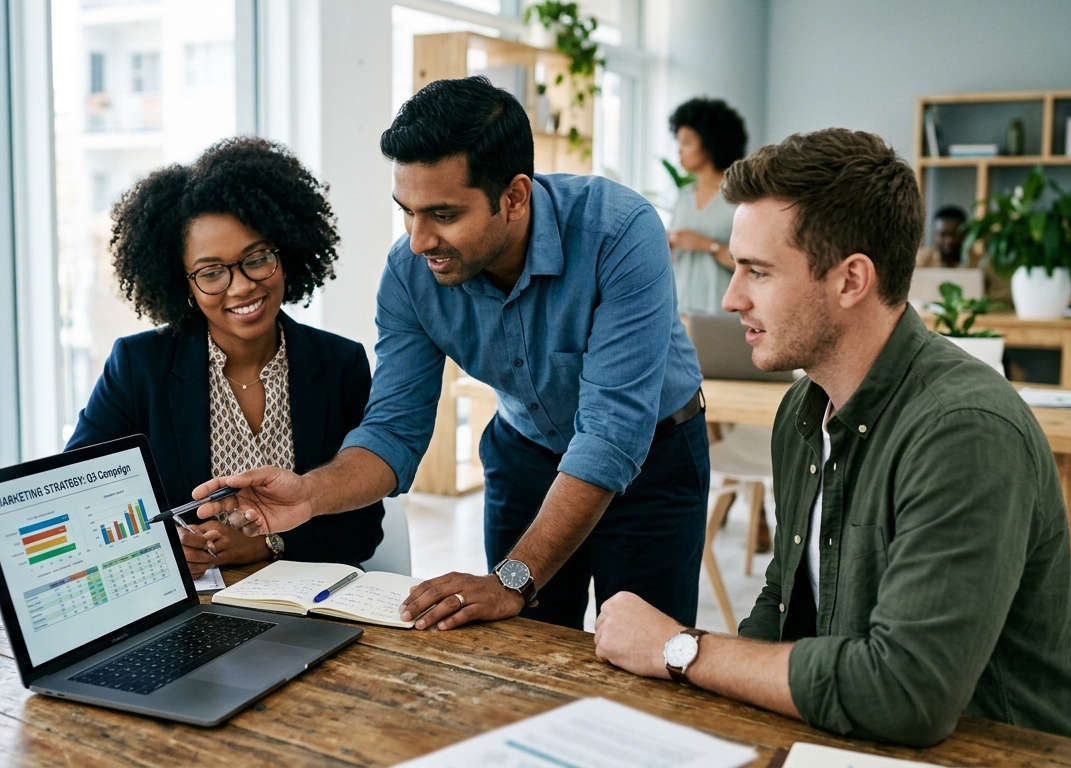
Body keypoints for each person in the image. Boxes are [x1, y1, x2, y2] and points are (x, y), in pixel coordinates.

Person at [593, 128, 1071, 747]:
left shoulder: (964, 432)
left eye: (758, 271)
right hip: (847, 741)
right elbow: (782, 600)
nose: (730, 296)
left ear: (851, 280)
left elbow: (906, 694)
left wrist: (680, 649)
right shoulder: (804, 407)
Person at [193, 76, 709, 632]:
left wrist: (513, 578)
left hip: (654, 457)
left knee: (645, 656)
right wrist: (308, 494)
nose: (418, 240)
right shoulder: (409, 274)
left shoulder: (620, 231)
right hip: (527, 454)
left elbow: (610, 433)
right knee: (526, 652)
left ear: (513, 197)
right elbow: (394, 430)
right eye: (407, 212)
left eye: (442, 214)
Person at [65, 136, 383, 578]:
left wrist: (269, 544)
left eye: (256, 259)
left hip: (309, 602)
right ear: (185, 286)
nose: (241, 287)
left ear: (285, 254)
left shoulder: (339, 364)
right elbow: (79, 491)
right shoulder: (140, 366)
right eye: (212, 272)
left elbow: (363, 528)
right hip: (192, 607)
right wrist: (160, 542)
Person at [667, 97, 748, 316]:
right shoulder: (683, 199)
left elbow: (754, 268)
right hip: (680, 315)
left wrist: (708, 245)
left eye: (686, 142)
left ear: (711, 143)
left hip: (723, 316)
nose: (679, 151)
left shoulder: (741, 200)